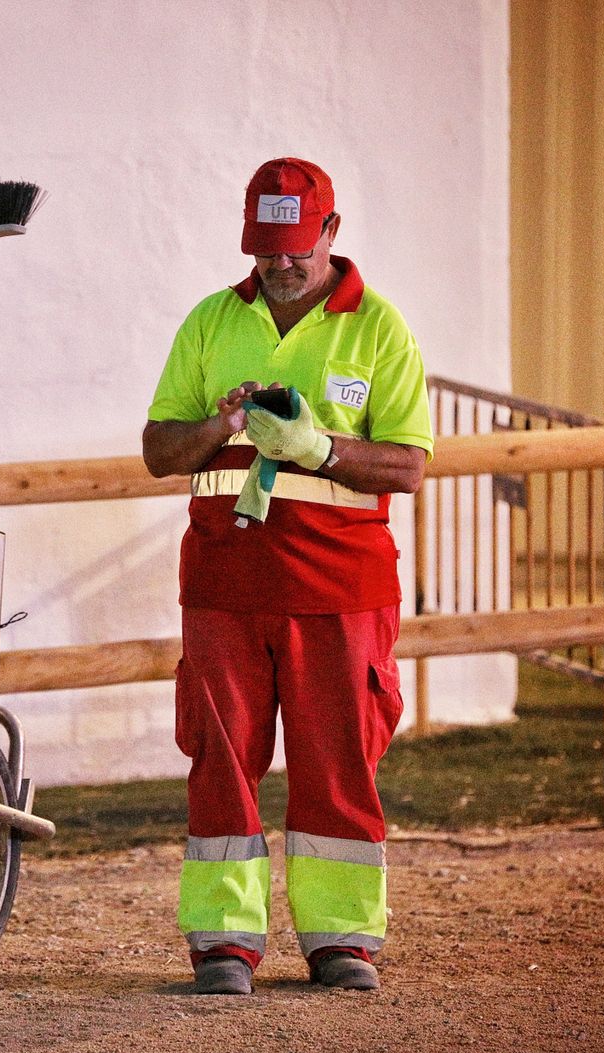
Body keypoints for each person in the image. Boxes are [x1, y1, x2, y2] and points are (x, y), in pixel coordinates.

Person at [142, 158, 433, 995]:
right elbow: (160, 448)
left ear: (332, 233)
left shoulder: (379, 328)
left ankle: (342, 941)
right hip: (226, 586)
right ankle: (223, 944)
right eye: (265, 250)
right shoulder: (209, 321)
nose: (278, 266)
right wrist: (224, 422)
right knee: (221, 760)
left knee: (337, 760)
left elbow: (410, 465)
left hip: (342, 589)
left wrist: (321, 449)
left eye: (295, 249)